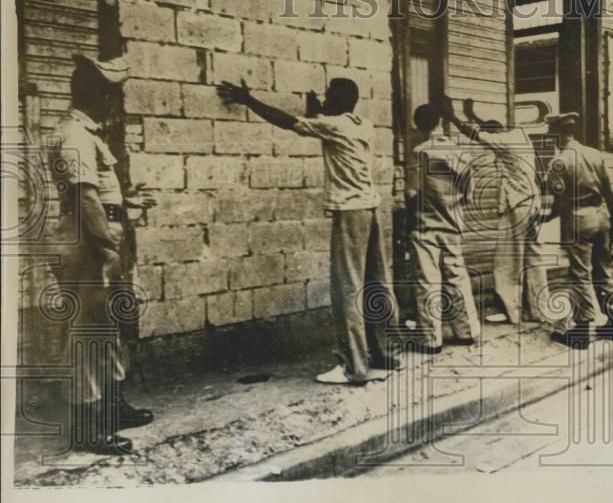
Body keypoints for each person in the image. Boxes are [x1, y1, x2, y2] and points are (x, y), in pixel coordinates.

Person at [218, 77, 399, 384]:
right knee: (375, 283)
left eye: (329, 97)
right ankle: (383, 353)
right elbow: (324, 120)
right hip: (370, 209)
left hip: (349, 211)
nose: (324, 101)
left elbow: (288, 121)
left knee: (347, 289)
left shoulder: (334, 126)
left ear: (340, 102)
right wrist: (319, 110)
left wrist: (248, 100)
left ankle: (354, 367)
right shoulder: (363, 124)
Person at [49, 54, 155, 454]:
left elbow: (100, 196)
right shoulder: (75, 134)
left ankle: (112, 407)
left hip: (96, 237)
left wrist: (127, 201)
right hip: (87, 244)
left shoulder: (86, 132)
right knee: (88, 336)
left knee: (106, 332)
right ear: (97, 95)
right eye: (111, 94)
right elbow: (85, 199)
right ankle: (87, 428)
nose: (115, 102)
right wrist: (109, 249)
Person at [441, 97, 545, 325]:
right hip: (533, 204)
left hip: (516, 205)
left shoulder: (503, 143)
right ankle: (539, 310)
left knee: (508, 262)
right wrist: (473, 115)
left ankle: (513, 313)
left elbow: (476, 135)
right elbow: (488, 130)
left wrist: (452, 116)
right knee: (534, 258)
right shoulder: (520, 136)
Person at [406, 103, 481, 352]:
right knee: (457, 275)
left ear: (418, 125)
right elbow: (470, 190)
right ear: (440, 122)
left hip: (425, 224)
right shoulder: (458, 151)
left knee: (428, 279)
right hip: (452, 222)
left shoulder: (420, 152)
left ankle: (431, 339)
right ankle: (466, 331)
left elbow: (412, 192)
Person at [544, 112, 613, 348]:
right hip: (602, 214)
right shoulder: (595, 154)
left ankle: (582, 330)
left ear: (558, 134)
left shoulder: (559, 162)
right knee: (603, 270)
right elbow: (610, 191)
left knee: (579, 274)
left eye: (551, 134)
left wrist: (547, 217)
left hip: (578, 218)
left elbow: (560, 201)